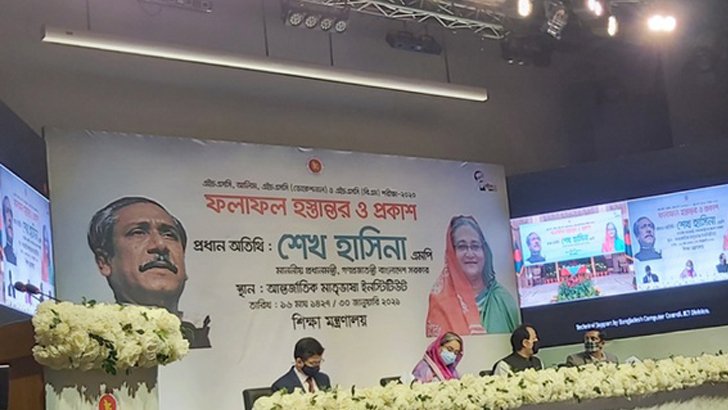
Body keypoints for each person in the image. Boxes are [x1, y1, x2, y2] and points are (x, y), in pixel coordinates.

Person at [87, 196, 210, 348]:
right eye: (138, 232)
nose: (160, 245)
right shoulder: (90, 341)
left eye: (169, 235)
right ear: (104, 262)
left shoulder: (209, 329)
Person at [426, 216, 519, 337]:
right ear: (452, 253)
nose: (470, 254)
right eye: (462, 247)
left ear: (484, 251)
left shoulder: (502, 299)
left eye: (475, 246)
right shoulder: (441, 301)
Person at [2, 196, 17, 266]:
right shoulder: (3, 252)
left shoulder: (16, 254)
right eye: (7, 211)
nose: (9, 218)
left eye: (11, 212)